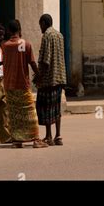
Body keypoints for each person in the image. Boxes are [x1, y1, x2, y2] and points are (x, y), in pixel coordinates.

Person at [2, 19, 47, 149]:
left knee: (14, 113)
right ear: (19, 30)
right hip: (22, 84)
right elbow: (32, 63)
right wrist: (39, 75)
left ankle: (17, 140)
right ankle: (36, 139)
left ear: (9, 31)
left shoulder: (5, 46)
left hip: (9, 84)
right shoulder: (26, 44)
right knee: (30, 112)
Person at [35, 14, 67, 146]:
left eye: (40, 25)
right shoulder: (59, 35)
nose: (40, 28)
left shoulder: (47, 36)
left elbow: (46, 60)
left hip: (49, 79)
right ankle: (58, 136)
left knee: (46, 107)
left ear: (44, 23)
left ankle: (48, 136)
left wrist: (38, 76)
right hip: (60, 77)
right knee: (56, 107)